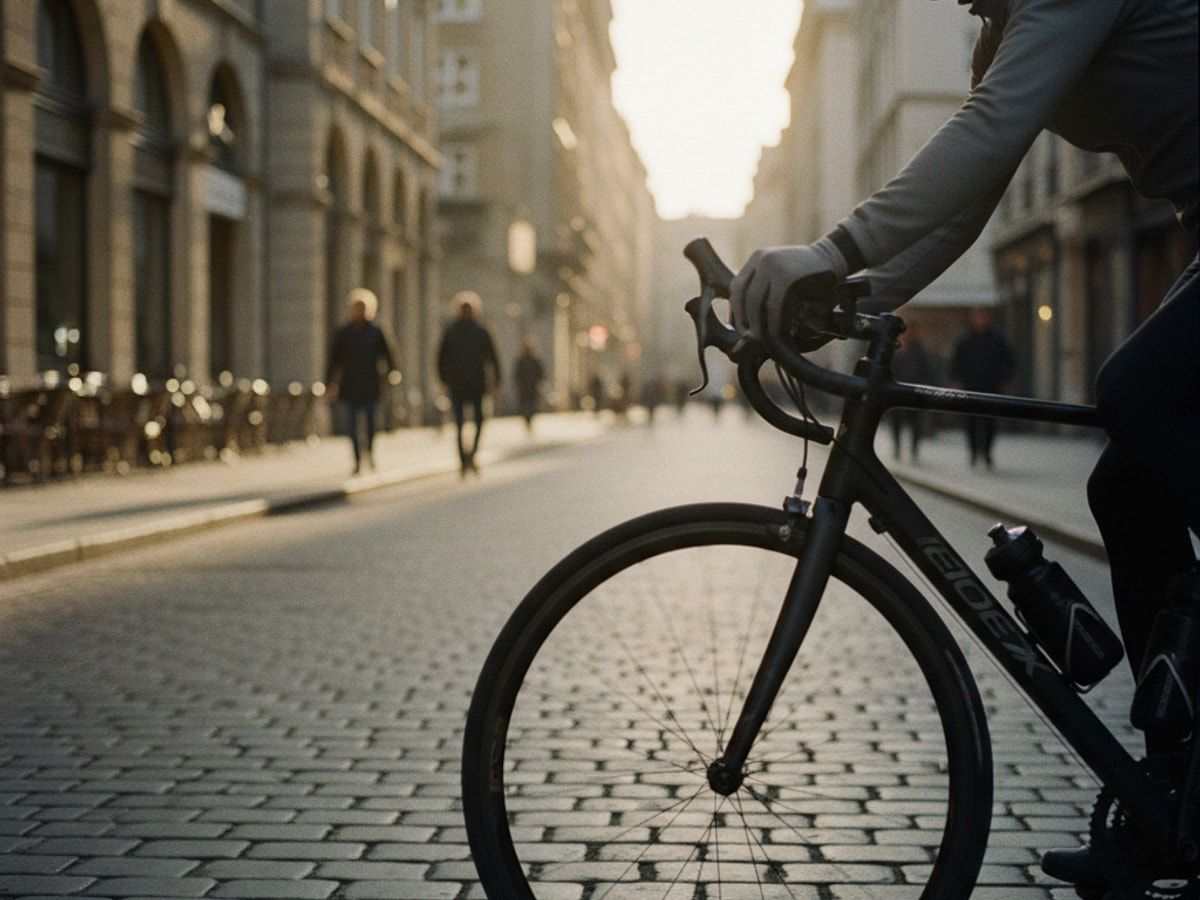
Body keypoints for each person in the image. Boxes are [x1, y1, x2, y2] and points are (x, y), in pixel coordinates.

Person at [730, 0, 1197, 893]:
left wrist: (830, 249)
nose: (957, 2)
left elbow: (989, 133)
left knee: (1134, 394)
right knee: (1124, 490)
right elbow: (968, 203)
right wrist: (848, 298)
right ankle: (1170, 799)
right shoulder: (1001, 34)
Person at [325, 288, 397, 474]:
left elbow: (389, 355)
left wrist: (392, 373)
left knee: (372, 423)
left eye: (363, 307)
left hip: (371, 384)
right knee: (352, 425)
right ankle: (357, 460)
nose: (359, 311)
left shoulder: (376, 331)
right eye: (357, 307)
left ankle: (370, 453)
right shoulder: (344, 332)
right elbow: (334, 360)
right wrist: (329, 383)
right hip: (349, 385)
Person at [437, 292, 500, 475]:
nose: (466, 312)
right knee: (459, 423)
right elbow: (441, 358)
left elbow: (492, 357)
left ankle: (471, 454)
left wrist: (496, 380)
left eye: (468, 309)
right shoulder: (451, 331)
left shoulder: (481, 331)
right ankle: (463, 460)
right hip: (457, 383)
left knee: (479, 420)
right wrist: (443, 379)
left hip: (476, 383)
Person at [949, 309, 1014, 468]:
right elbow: (955, 362)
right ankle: (973, 452)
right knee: (970, 422)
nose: (981, 320)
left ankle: (986, 452)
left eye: (983, 317)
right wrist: (956, 381)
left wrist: (1004, 379)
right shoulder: (965, 339)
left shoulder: (998, 339)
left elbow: (1009, 360)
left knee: (990, 423)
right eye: (978, 317)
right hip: (970, 388)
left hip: (991, 387)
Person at [889, 323, 937, 462]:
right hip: (896, 391)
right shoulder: (896, 349)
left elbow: (926, 371)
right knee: (896, 423)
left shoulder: (920, 351)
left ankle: (914, 450)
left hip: (914, 391)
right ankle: (897, 448)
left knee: (915, 423)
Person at [513, 339, 545, 433]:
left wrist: (539, 383)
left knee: (532, 406)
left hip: (532, 387)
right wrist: (517, 384)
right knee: (524, 406)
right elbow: (516, 374)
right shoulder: (520, 361)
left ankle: (529, 420)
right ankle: (527, 421)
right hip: (524, 387)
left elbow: (541, 373)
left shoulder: (535, 361)